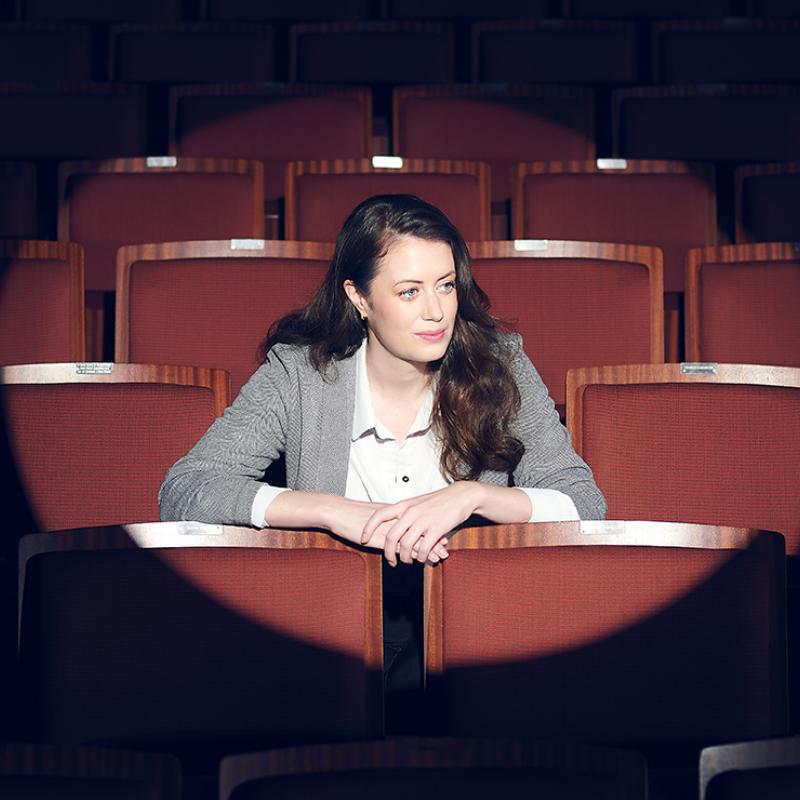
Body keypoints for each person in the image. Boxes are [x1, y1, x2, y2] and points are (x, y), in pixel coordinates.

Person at [159, 194, 606, 724]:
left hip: (480, 626)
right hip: (338, 630)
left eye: (445, 285)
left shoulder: (501, 363)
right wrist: (327, 510)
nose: (436, 311)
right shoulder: (299, 375)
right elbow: (185, 490)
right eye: (409, 291)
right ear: (359, 297)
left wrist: (474, 496)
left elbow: (585, 503)